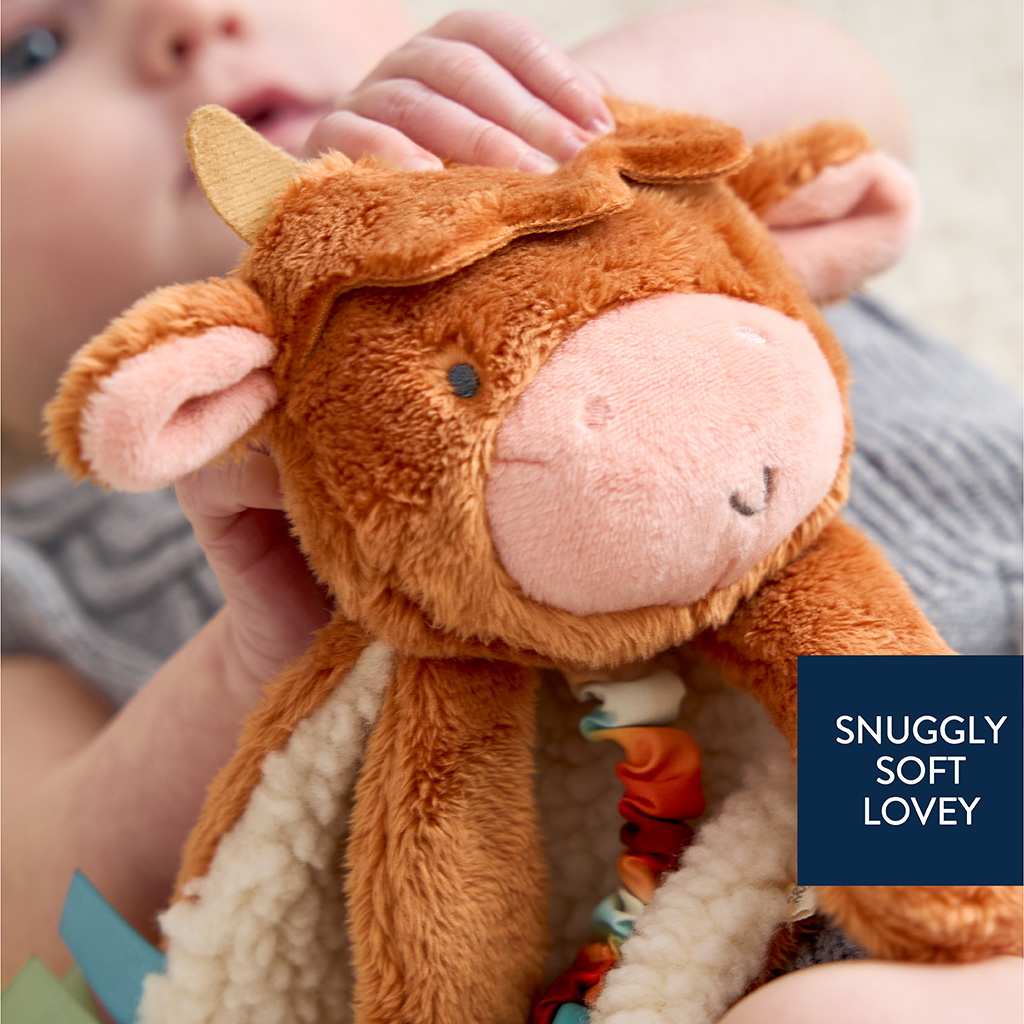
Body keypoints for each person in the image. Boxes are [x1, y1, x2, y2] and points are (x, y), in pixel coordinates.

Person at [2, 1, 1020, 1019]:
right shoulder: (49, 551)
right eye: (34, 49)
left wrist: (549, 124)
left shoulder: (656, 191)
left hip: (969, 698)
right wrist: (249, 656)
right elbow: (25, 917)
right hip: (725, 934)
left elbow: (842, 90)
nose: (190, 20)